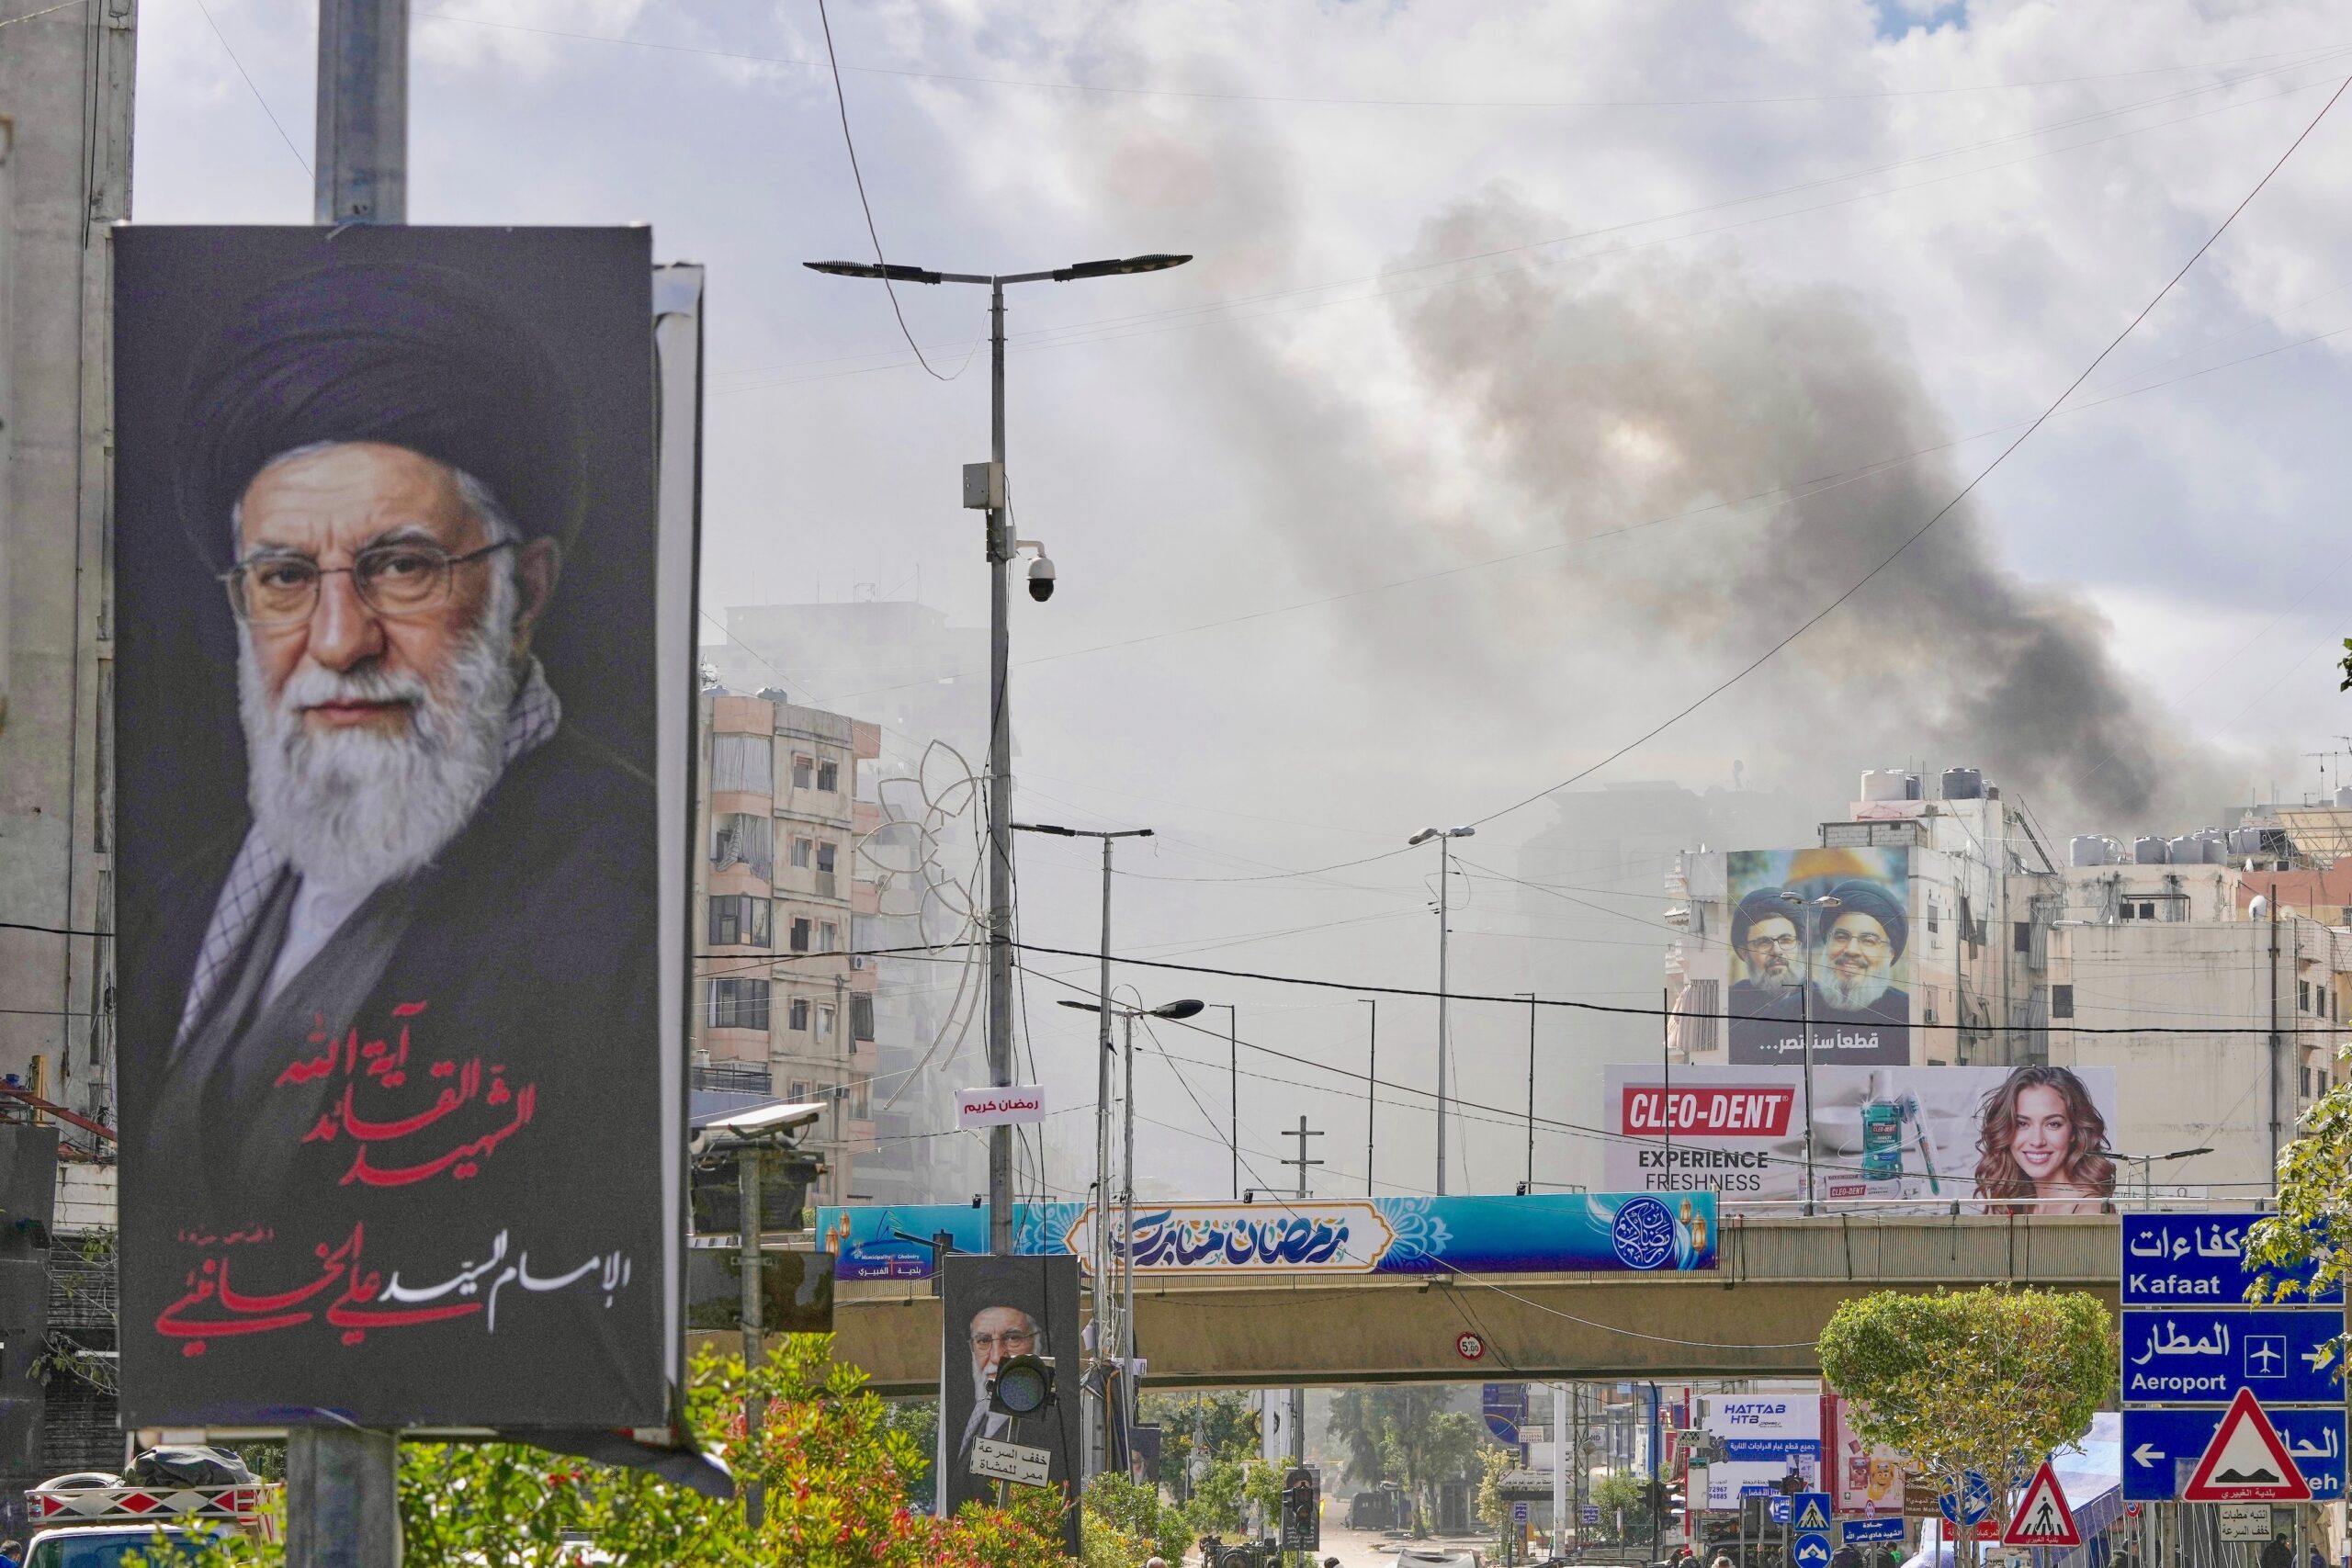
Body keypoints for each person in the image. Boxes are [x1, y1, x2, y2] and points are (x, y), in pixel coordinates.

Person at [119, 258, 657, 1224]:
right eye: (285, 578)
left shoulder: (624, 883)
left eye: (401, 566)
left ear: (524, 593)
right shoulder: (188, 909)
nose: (338, 641)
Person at [1973, 1065, 2117, 1214]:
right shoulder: (2012, 1203)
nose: (2037, 1141)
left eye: (2053, 1124)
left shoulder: (2089, 1211)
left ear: (2074, 1131)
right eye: (2022, 1124)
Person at [1807, 881, 1911, 1034]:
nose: (1851, 950)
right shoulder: (1791, 1012)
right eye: (1841, 937)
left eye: (1868, 941)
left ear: (1890, 954)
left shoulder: (1908, 1013)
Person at [954, 1302, 1044, 1475]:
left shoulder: (1058, 1419)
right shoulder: (971, 1409)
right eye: (983, 1341)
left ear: (1039, 1342)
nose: (996, 1357)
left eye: (1013, 1338)